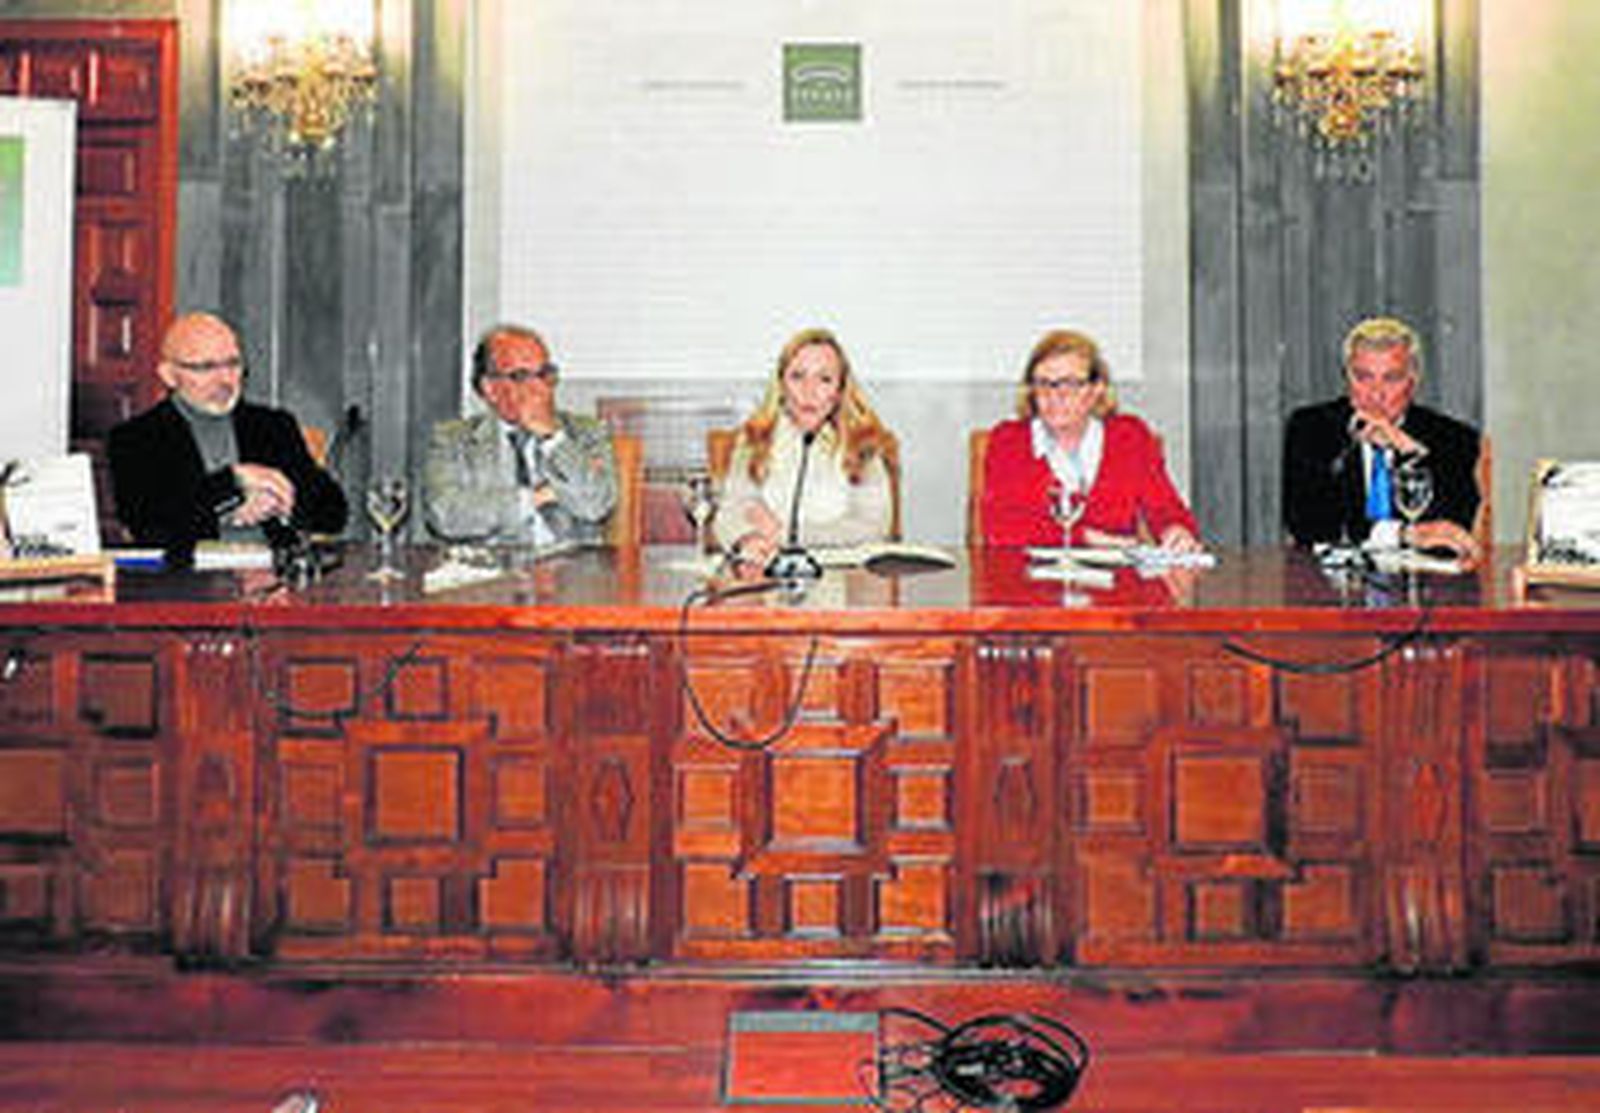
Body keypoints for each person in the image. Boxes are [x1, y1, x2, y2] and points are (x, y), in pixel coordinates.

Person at [108, 312, 348, 557]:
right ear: (169, 375)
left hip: (275, 577)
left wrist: (282, 503)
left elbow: (333, 513)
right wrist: (233, 483)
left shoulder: (273, 426)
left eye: (233, 364)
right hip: (186, 582)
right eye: (206, 367)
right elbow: (149, 527)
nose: (225, 379)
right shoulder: (135, 438)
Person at [979, 329, 1200, 550]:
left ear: (1097, 389)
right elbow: (1000, 529)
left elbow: (1166, 509)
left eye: (1071, 384)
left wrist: (1176, 531)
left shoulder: (1130, 437)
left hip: (1114, 581)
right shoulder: (1008, 441)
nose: (1055, 396)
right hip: (1029, 581)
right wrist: (1087, 537)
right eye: (1044, 384)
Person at [1283, 316, 1481, 560]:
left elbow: (1454, 529)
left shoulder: (1454, 439)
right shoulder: (1312, 429)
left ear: (1413, 379)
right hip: (1336, 589)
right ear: (1347, 377)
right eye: (1363, 377)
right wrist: (1403, 535)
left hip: (1424, 589)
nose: (1376, 394)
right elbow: (1309, 525)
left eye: (1391, 378)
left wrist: (1408, 450)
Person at [714, 327, 895, 568]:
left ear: (840, 391)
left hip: (844, 584)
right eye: (798, 376)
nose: (809, 392)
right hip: (767, 579)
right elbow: (730, 513)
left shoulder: (863, 444)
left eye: (824, 379)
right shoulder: (754, 440)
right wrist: (748, 539)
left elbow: (872, 526)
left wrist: (790, 533)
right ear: (781, 385)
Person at [424, 325, 616, 545]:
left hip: (569, 569)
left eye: (544, 374)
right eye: (521, 376)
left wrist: (553, 437)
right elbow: (445, 515)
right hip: (491, 569)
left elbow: (596, 506)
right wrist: (535, 498)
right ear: (490, 389)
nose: (539, 388)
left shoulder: (586, 432)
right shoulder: (454, 440)